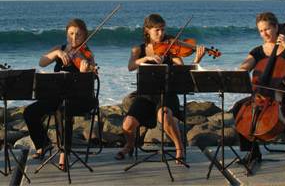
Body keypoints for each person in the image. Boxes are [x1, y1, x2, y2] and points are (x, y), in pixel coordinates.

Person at [115, 14, 205, 163]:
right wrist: (146, 59)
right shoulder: (139, 50)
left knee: (164, 115)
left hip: (167, 94)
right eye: (157, 30)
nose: (161, 34)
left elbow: (184, 71)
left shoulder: (171, 51)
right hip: (145, 96)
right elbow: (131, 66)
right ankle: (130, 145)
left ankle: (179, 148)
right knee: (128, 124)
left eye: (163, 30)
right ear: (147, 30)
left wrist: (196, 60)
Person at [233, 12, 285, 169]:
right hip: (263, 95)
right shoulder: (257, 51)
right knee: (238, 109)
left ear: (276, 27)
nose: (264, 34)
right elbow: (244, 67)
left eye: (267, 29)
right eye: (261, 31)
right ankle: (253, 152)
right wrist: (240, 70)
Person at [23, 18, 97, 170]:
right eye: (71, 34)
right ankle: (43, 145)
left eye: (78, 35)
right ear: (66, 34)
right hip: (56, 95)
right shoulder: (60, 48)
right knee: (29, 112)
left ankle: (65, 152)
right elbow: (42, 62)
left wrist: (84, 72)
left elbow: (90, 82)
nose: (74, 38)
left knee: (63, 111)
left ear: (85, 36)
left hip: (79, 98)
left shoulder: (87, 55)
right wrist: (56, 52)